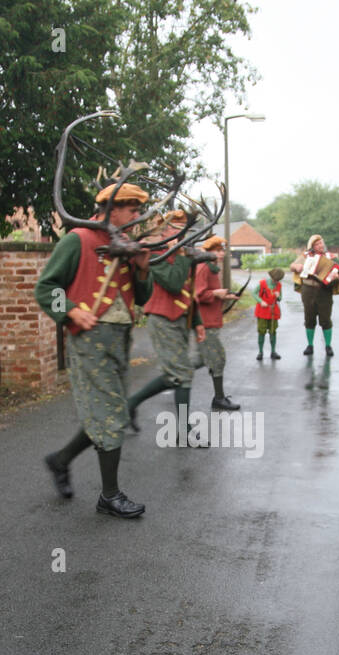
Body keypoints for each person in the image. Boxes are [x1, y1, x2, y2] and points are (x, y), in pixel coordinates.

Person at [39, 182, 154, 517]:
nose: (137, 217)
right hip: (89, 339)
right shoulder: (78, 239)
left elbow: (142, 298)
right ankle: (110, 495)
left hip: (120, 338)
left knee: (106, 412)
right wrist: (71, 310)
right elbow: (46, 288)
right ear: (112, 209)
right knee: (111, 414)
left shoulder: (126, 244)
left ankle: (59, 460)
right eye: (132, 210)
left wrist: (143, 268)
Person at [125, 210, 203, 434]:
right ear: (165, 230)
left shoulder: (182, 253)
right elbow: (174, 283)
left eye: (184, 228)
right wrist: (182, 255)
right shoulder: (155, 253)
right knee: (182, 373)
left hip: (180, 319)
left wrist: (197, 322)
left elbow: (188, 290)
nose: (182, 232)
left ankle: (131, 403)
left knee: (175, 374)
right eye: (177, 227)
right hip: (162, 318)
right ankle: (184, 431)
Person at [191, 235, 241, 410]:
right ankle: (218, 398)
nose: (222, 254)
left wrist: (226, 296)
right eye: (218, 251)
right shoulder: (203, 267)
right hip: (204, 321)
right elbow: (197, 294)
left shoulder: (212, 268)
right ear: (208, 251)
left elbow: (211, 292)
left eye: (223, 251)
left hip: (212, 319)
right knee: (214, 358)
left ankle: (175, 376)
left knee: (205, 359)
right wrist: (216, 294)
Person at [290, 234, 339, 357]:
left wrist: (336, 276)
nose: (321, 245)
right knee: (309, 318)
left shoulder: (331, 257)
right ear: (312, 246)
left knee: (326, 319)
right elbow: (292, 266)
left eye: (321, 243)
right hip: (308, 290)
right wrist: (296, 267)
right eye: (317, 244)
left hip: (324, 290)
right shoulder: (306, 256)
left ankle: (328, 346)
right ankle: (310, 345)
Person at [255, 267, 284, 360]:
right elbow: (253, 293)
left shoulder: (279, 285)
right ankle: (260, 352)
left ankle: (273, 351)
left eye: (277, 280)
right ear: (271, 277)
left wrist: (278, 296)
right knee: (261, 332)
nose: (276, 281)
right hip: (262, 311)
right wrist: (260, 301)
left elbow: (280, 299)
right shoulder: (262, 283)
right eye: (274, 279)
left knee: (273, 331)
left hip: (273, 311)